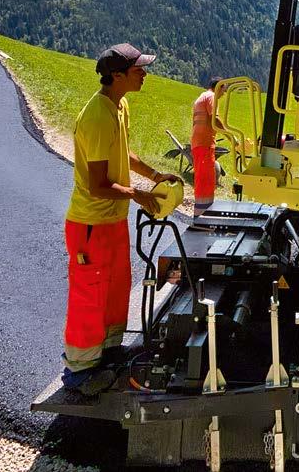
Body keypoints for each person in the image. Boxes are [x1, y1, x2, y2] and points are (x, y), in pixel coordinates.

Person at [62, 42, 179, 395]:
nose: (144, 73)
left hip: (112, 219)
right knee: (90, 294)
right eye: (138, 69)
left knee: (115, 287)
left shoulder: (119, 105)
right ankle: (79, 369)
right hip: (90, 223)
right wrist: (138, 195)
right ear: (117, 75)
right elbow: (98, 184)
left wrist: (154, 175)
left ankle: (109, 350)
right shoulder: (97, 115)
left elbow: (122, 152)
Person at [191, 77, 225, 220]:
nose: (224, 93)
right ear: (218, 87)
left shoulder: (202, 96)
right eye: (224, 89)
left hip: (199, 143)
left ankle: (201, 214)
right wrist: (229, 134)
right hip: (204, 143)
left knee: (203, 179)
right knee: (206, 180)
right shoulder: (212, 97)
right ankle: (203, 217)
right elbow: (214, 119)